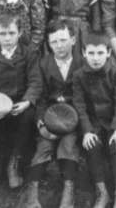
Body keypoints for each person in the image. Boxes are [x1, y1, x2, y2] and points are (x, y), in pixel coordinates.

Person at [19, 19, 84, 208]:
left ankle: (68, 192)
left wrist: (77, 122)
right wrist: (41, 124)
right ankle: (32, 194)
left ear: (73, 39)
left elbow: (85, 99)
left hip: (74, 118)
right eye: (54, 42)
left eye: (63, 40)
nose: (59, 46)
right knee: (43, 146)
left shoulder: (82, 63)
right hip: (50, 116)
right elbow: (40, 98)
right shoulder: (44, 64)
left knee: (68, 145)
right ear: (48, 43)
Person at [0, 13, 42, 190]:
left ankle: (14, 163)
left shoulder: (28, 54)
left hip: (20, 102)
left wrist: (27, 101)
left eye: (11, 33)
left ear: (19, 33)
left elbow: (35, 81)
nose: (7, 38)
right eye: (2, 34)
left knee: (28, 117)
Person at [71, 33, 116, 208]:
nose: (96, 58)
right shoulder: (79, 75)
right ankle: (102, 192)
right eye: (92, 53)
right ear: (84, 53)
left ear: (109, 52)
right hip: (93, 123)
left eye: (100, 53)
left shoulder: (115, 72)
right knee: (92, 146)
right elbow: (79, 105)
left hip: (112, 121)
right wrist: (87, 131)